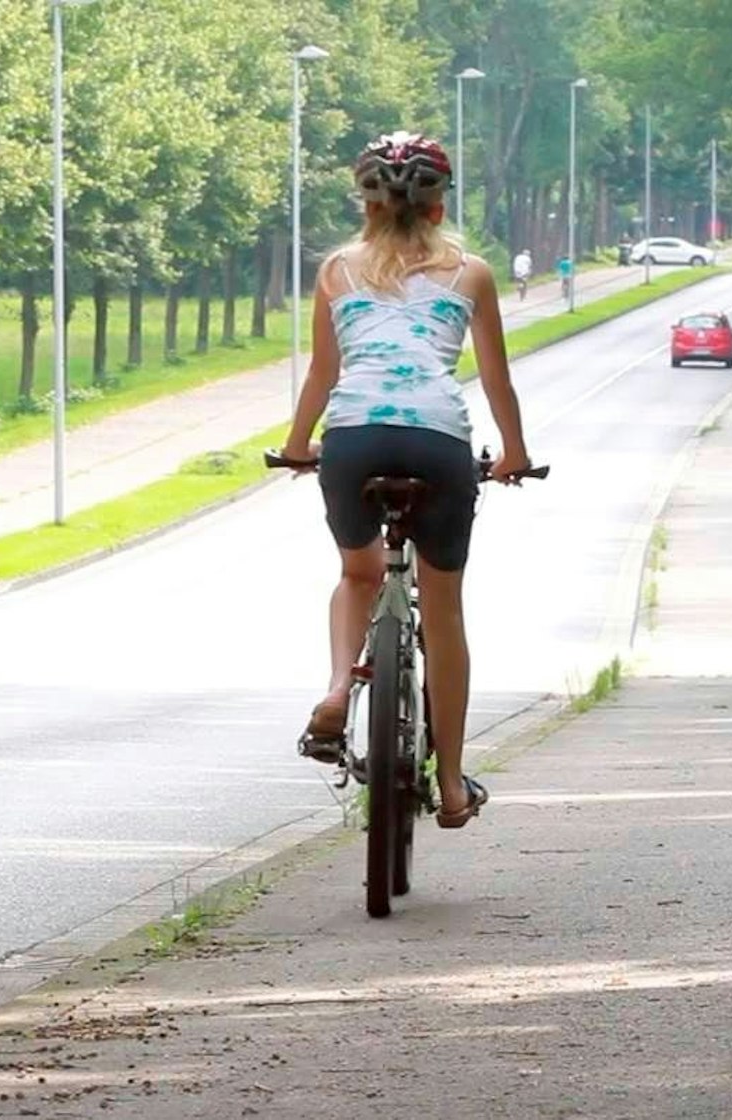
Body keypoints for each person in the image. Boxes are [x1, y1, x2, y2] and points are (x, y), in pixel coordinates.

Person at [279, 132, 533, 830]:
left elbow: (323, 376)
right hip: (439, 441)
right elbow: (494, 377)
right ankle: (450, 784)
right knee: (443, 607)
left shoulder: (336, 269)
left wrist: (298, 445)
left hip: (355, 439)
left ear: (364, 203)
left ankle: (336, 690)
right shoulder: (470, 273)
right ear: (436, 206)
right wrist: (512, 453)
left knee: (358, 575)